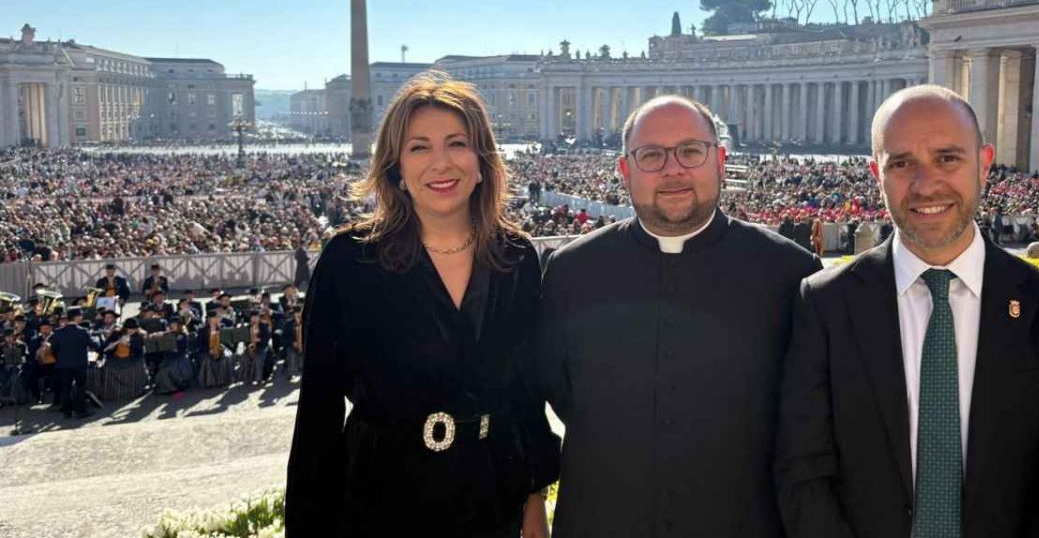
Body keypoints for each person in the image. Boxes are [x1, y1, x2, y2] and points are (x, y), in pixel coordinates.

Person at [776, 85, 1039, 538]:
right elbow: (803, 473)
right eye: (902, 163)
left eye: (947, 158)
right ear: (876, 173)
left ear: (984, 164)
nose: (926, 184)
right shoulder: (824, 303)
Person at [287, 73, 560, 537]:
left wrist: (533, 497)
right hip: (381, 500)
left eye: (457, 143)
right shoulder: (350, 259)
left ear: (481, 161)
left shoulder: (516, 258)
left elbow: (525, 394)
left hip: (491, 499)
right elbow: (318, 412)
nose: (440, 163)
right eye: (419, 147)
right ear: (395, 167)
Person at [537, 95, 822, 537]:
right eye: (651, 155)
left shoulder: (791, 272)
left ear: (720, 161)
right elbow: (557, 391)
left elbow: (809, 422)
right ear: (625, 171)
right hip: (603, 518)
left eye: (691, 151)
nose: (673, 170)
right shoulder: (571, 270)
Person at [53, 307, 96, 418]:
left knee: (66, 388)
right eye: (80, 315)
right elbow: (94, 345)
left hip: (63, 364)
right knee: (80, 387)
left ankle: (66, 412)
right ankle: (80, 411)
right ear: (77, 317)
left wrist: (60, 358)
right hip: (79, 364)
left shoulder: (58, 332)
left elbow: (54, 349)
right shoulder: (83, 331)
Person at [99, 317, 148, 401]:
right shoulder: (117, 333)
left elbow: (140, 350)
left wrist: (129, 344)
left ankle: (133, 390)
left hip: (132, 359)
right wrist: (111, 346)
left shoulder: (141, 335)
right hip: (116, 358)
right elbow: (105, 346)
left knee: (133, 369)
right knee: (107, 368)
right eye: (129, 328)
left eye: (133, 328)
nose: (131, 330)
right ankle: (111, 392)